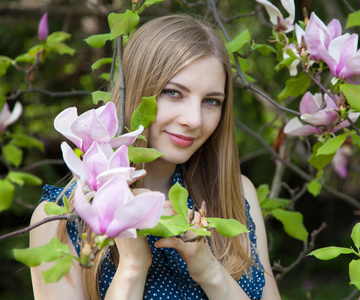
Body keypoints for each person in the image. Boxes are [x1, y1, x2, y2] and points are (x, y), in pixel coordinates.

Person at [29, 14, 280, 300]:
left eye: (211, 101)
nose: (194, 120)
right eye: (173, 93)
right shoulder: (63, 220)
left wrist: (210, 272)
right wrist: (133, 266)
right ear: (138, 91)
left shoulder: (236, 194)